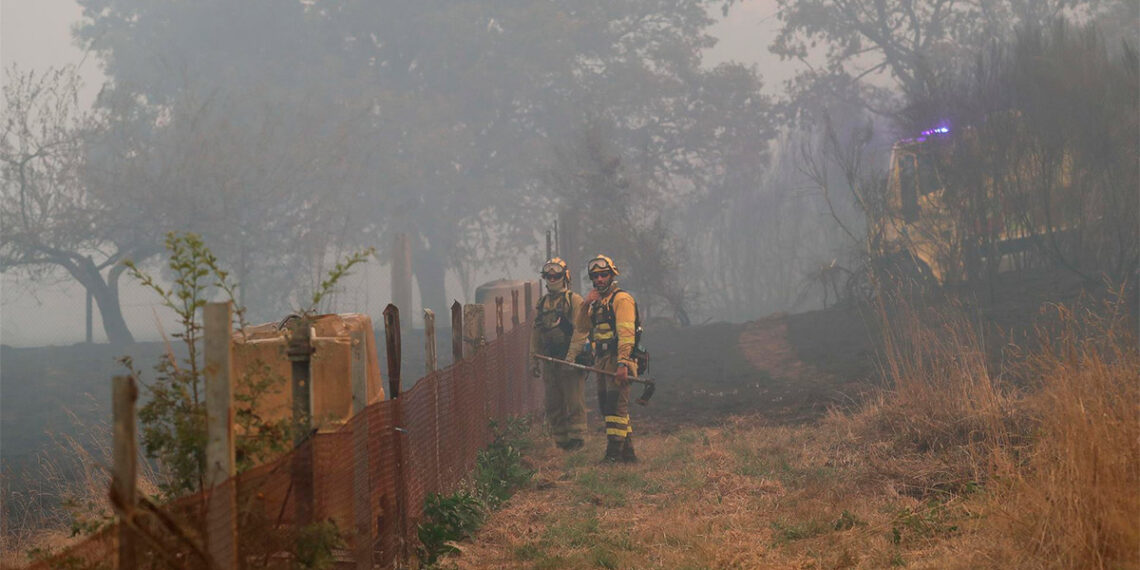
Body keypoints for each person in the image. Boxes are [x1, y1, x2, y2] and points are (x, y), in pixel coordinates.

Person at [565, 254, 638, 463]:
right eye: (595, 276)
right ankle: (628, 453)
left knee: (616, 407)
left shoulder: (621, 300)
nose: (599, 280)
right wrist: (585, 304)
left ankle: (613, 455)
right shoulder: (597, 302)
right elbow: (582, 327)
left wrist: (623, 364)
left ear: (612, 275)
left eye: (604, 275)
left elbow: (626, 334)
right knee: (608, 406)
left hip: (618, 359)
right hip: (602, 359)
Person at [530, 257, 588, 451]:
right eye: (548, 275)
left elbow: (581, 330)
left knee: (573, 401)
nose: (552, 278)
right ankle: (561, 442)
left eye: (556, 275)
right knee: (553, 402)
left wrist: (571, 356)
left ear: (565, 277)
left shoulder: (574, 300)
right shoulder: (541, 303)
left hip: (569, 361)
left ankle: (577, 440)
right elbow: (536, 332)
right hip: (549, 361)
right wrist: (534, 358)